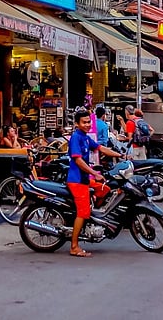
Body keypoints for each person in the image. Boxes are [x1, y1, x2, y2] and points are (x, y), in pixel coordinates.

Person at [65, 109, 123, 257]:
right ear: (77, 124)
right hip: (77, 180)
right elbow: (78, 160)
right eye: (84, 122)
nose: (87, 124)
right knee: (83, 213)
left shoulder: (85, 137)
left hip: (85, 179)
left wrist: (120, 154)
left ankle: (94, 218)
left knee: (105, 189)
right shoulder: (76, 138)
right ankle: (74, 246)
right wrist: (94, 173)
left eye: (88, 121)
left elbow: (100, 148)